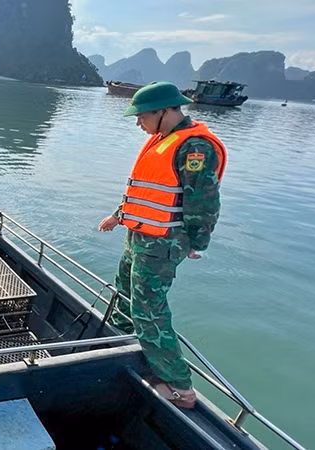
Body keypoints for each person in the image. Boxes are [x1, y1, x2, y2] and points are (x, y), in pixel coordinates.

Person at [98, 81, 227, 408]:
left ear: (164, 111)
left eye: (141, 116)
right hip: (139, 236)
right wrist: (118, 216)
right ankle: (122, 343)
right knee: (125, 291)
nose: (138, 123)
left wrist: (197, 241)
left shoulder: (194, 148)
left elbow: (204, 202)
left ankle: (180, 386)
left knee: (149, 309)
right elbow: (148, 191)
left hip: (162, 244)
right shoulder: (162, 140)